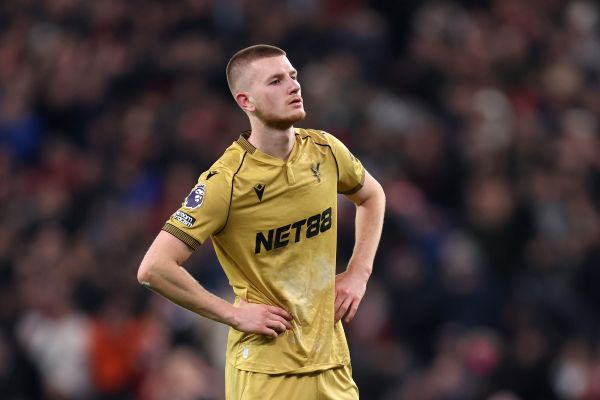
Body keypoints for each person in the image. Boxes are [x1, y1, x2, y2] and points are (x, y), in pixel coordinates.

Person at [137, 44, 386, 399]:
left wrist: (358, 273)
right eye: (275, 81)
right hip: (266, 371)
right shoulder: (226, 181)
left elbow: (372, 196)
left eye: (293, 76)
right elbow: (154, 268)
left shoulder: (326, 150)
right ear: (246, 101)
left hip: (330, 362)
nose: (293, 86)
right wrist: (233, 315)